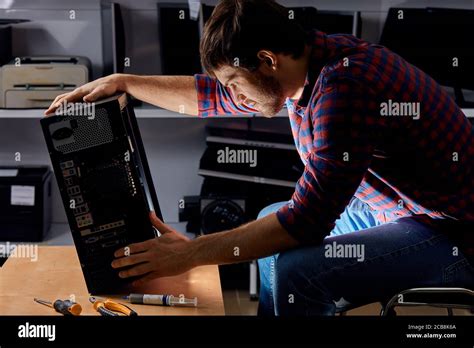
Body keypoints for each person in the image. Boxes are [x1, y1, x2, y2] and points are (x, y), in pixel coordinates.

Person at [45, 0, 474, 315]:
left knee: (297, 271)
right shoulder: (304, 67)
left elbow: (306, 222)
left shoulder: (345, 90)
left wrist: (190, 253)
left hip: (451, 232)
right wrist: (125, 82)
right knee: (271, 217)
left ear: (266, 60)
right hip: (394, 213)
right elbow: (209, 95)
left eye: (236, 82)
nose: (234, 95)